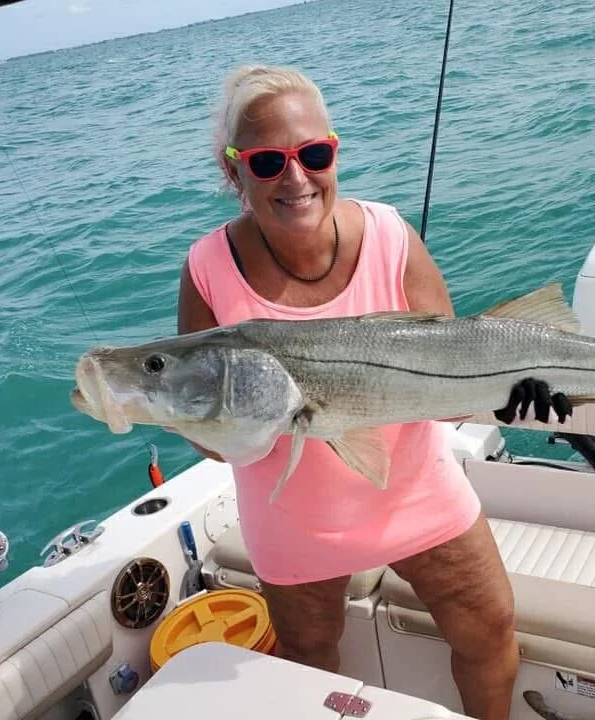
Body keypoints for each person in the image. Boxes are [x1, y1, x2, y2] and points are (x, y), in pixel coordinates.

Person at [176, 64, 570, 720]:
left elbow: (447, 384)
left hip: (415, 490)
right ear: (233, 170)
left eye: (315, 154)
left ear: (334, 153)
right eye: (269, 161)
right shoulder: (208, 270)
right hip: (295, 519)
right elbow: (216, 445)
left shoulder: (390, 236)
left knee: (492, 628)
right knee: (308, 659)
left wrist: (504, 394)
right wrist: (193, 415)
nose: (296, 178)